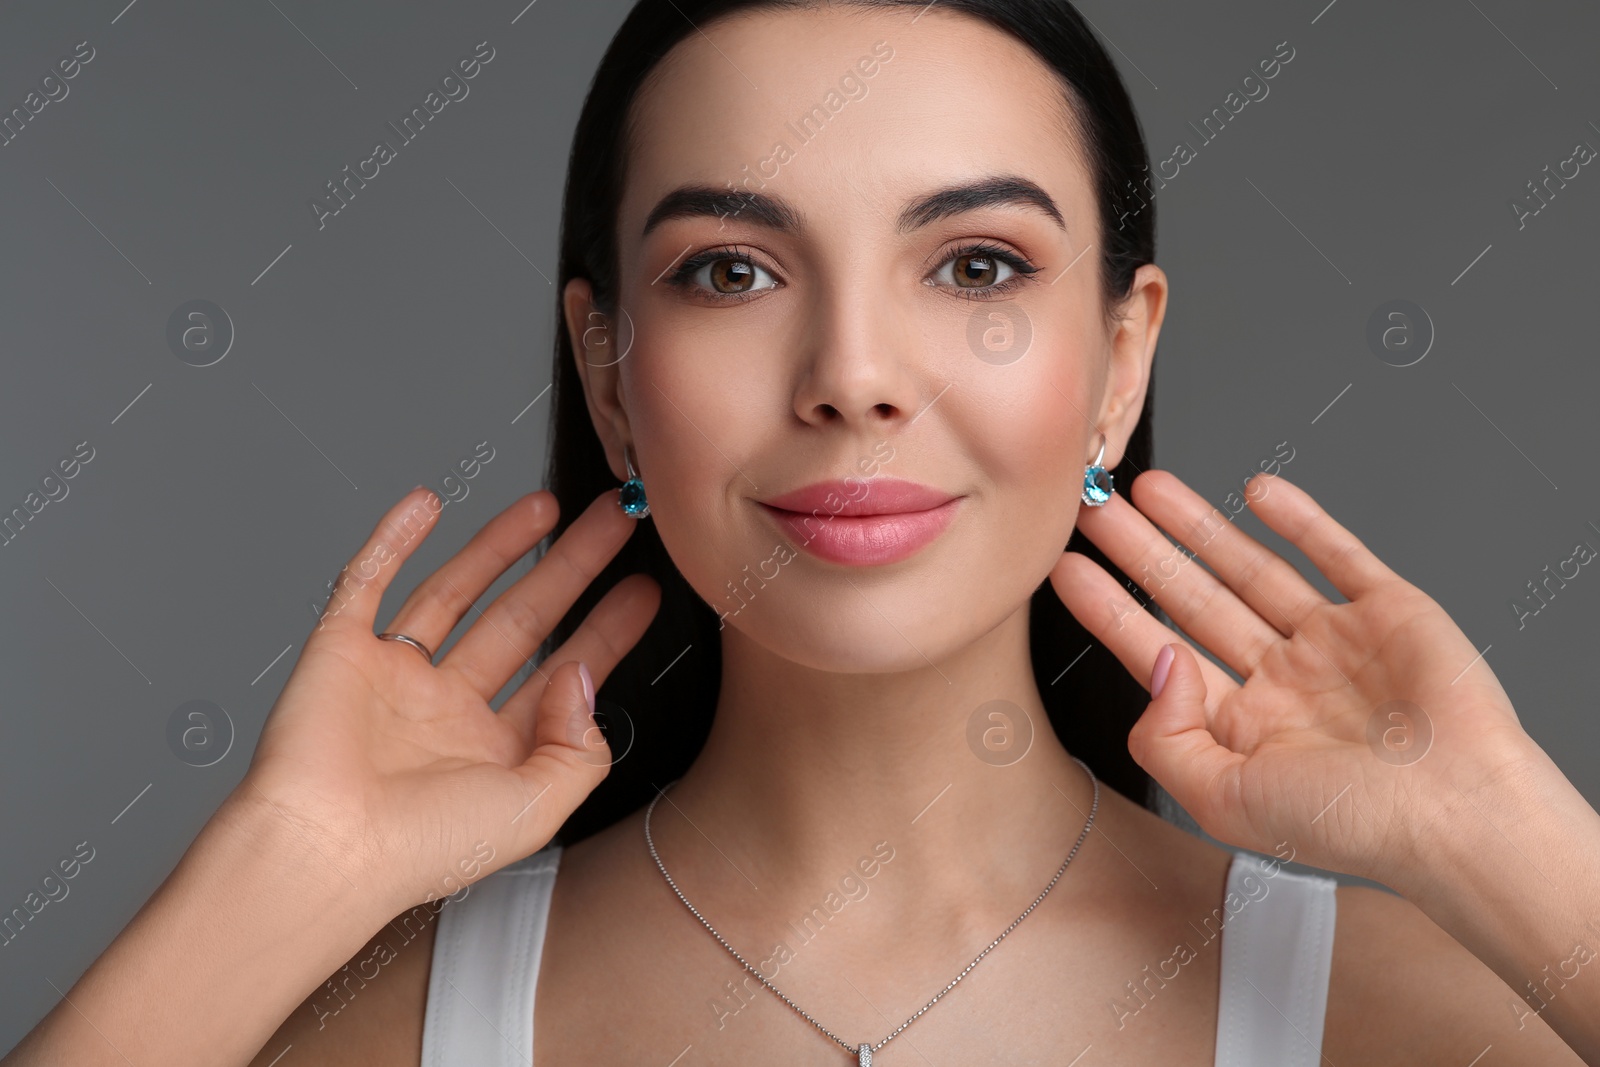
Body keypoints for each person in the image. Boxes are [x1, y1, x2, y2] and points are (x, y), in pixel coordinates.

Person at [6, 1, 1599, 1064]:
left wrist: (1508, 844)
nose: (850, 378)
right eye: (731, 270)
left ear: (1120, 363)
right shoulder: (409, 1025)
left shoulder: (1388, 1015)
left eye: (975, 267)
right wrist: (286, 872)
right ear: (610, 378)